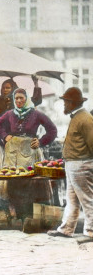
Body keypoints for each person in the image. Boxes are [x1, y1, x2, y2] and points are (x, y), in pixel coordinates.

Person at [0, 88, 57, 217]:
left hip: (29, 151)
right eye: (16, 98)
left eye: (21, 98)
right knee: (12, 180)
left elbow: (52, 130)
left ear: (26, 99)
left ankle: (29, 214)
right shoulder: (10, 114)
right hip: (12, 152)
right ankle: (16, 213)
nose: (18, 101)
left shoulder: (36, 114)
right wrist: (5, 136)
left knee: (29, 180)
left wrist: (41, 141)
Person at [47, 87, 93, 244]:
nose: (64, 105)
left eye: (66, 102)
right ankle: (66, 229)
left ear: (73, 103)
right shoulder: (78, 117)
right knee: (72, 199)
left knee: (87, 198)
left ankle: (91, 231)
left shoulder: (85, 119)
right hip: (74, 164)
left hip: (81, 164)